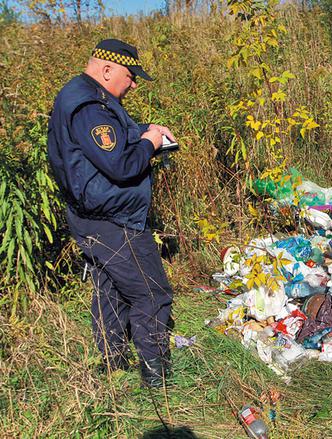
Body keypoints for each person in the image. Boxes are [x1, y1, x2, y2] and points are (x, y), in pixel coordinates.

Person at [47, 38, 175, 387]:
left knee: (111, 289)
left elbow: (112, 139)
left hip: (91, 216)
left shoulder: (86, 96)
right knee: (151, 293)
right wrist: (151, 143)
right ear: (107, 69)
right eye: (130, 76)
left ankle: (112, 363)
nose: (133, 84)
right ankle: (155, 375)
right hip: (114, 220)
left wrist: (146, 131)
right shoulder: (89, 106)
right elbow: (121, 163)